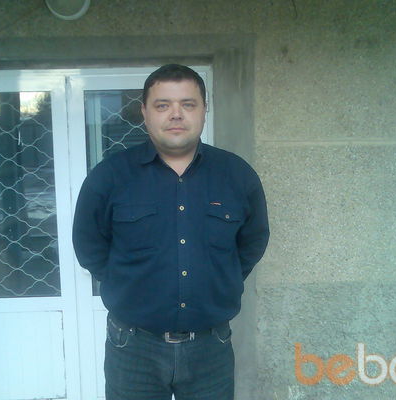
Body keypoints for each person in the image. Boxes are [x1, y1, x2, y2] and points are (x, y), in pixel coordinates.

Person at [72, 64, 270, 400]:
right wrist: (128, 284)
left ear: (205, 109)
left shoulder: (237, 175)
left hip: (210, 348)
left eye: (188, 104)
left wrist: (219, 279)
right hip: (133, 347)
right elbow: (90, 246)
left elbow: (252, 243)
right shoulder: (110, 176)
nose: (176, 114)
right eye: (163, 105)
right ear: (144, 112)